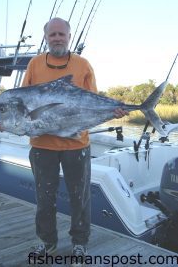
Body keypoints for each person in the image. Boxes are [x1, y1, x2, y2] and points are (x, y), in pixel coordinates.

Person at [22, 17, 128, 266]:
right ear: (46, 37)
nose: (57, 38)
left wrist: (114, 109)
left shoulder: (82, 64)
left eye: (61, 34)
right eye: (52, 35)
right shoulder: (35, 64)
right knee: (44, 197)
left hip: (76, 144)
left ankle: (79, 243)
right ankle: (47, 242)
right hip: (42, 146)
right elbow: (22, 102)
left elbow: (92, 101)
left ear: (69, 36)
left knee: (79, 196)